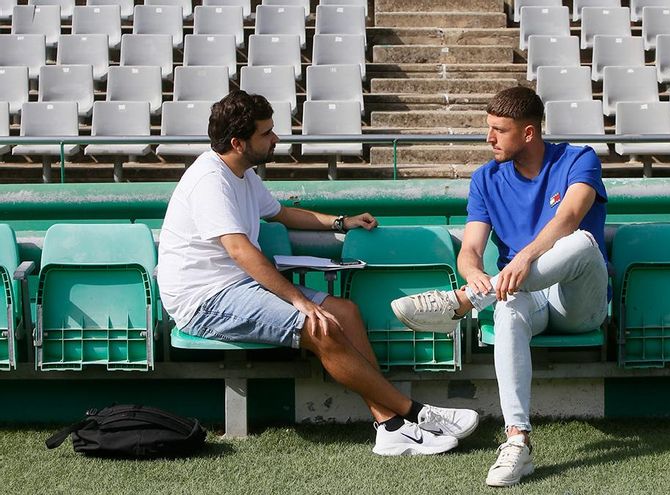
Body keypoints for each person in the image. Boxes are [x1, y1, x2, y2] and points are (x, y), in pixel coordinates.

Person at [157, 90, 478, 456]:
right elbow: (241, 251)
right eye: (266, 133)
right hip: (203, 300)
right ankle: (414, 414)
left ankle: (388, 428)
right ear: (237, 142)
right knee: (318, 325)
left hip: (236, 287)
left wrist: (342, 221)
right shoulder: (209, 180)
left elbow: (281, 213)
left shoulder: (242, 173)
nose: (276, 139)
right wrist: (298, 300)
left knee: (345, 312)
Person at [391, 87, 609, 485]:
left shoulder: (580, 158)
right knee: (507, 309)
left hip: (578, 302)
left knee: (581, 242)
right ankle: (518, 442)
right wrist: (473, 270)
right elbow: (470, 248)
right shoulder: (485, 178)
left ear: (528, 133)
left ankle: (463, 302)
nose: (489, 138)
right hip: (521, 296)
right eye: (488, 128)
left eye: (499, 130)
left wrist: (522, 258)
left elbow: (570, 217)